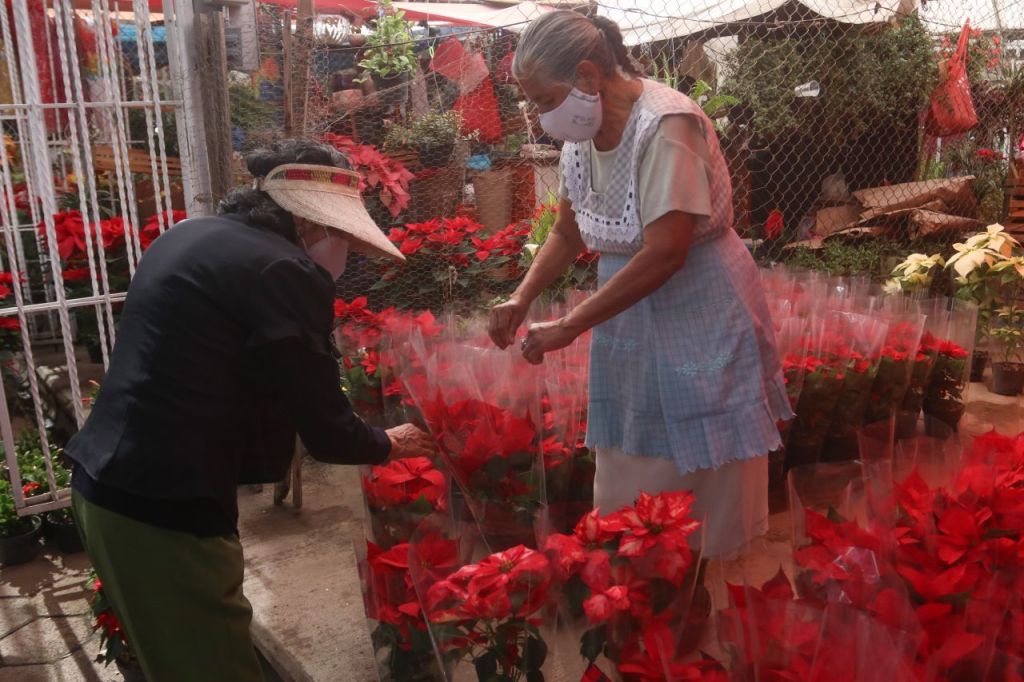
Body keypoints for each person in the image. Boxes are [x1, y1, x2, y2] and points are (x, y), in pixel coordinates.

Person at [67, 139, 434, 682]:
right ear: (313, 224)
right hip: (163, 511)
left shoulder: (191, 235)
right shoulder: (282, 269)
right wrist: (387, 442)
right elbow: (324, 424)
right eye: (345, 239)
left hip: (106, 486)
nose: (346, 255)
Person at [489, 12, 792, 560]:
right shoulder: (583, 133)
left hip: (699, 300)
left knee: (701, 463)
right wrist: (522, 296)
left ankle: (707, 585)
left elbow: (666, 251)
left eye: (543, 99)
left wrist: (569, 324)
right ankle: (644, 583)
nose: (540, 115)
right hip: (628, 310)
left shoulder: (668, 125)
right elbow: (566, 229)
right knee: (633, 455)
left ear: (586, 75)